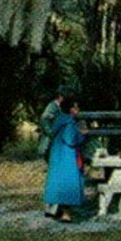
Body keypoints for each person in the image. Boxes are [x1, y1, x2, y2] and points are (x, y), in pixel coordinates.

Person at [42, 96, 88, 222]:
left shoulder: (59, 120)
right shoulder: (70, 122)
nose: (78, 109)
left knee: (56, 183)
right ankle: (64, 213)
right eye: (76, 106)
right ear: (71, 109)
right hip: (67, 157)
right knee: (68, 184)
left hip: (58, 155)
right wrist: (82, 134)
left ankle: (53, 209)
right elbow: (71, 140)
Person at [38, 88, 65, 217]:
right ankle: (53, 208)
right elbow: (44, 119)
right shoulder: (53, 107)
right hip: (50, 146)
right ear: (60, 97)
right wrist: (51, 134)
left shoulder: (57, 108)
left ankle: (52, 208)